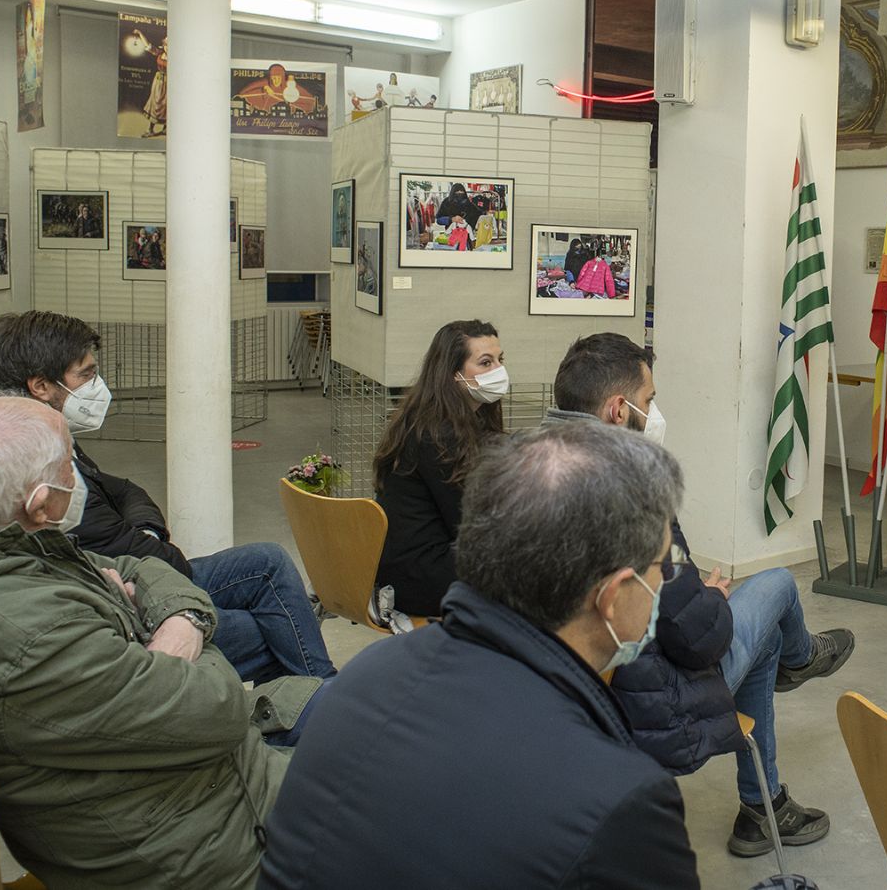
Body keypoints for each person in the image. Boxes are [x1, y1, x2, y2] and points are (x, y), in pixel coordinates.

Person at [0, 395, 321, 890]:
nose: (80, 478)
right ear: (40, 502)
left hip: (183, 788)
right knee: (382, 768)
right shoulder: (24, 636)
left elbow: (136, 567)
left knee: (348, 708)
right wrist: (180, 636)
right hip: (211, 847)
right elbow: (218, 708)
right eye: (69, 466)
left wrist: (182, 621)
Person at [260, 422, 699, 889]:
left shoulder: (365, 676)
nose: (664, 582)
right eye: (663, 566)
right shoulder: (623, 802)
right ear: (611, 596)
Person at [547, 332, 854, 856]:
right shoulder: (633, 494)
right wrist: (707, 597)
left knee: (760, 635)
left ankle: (766, 801)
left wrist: (686, 591)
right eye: (649, 400)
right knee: (776, 587)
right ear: (618, 410)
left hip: (564, 702)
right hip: (652, 710)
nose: (655, 413)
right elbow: (700, 642)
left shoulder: (528, 476)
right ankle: (799, 667)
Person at [0, 311, 337, 684]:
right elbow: (162, 561)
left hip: (131, 582)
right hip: (123, 609)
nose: (98, 386)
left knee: (269, 563)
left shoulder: (37, 438)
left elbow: (125, 490)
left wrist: (147, 531)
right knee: (271, 629)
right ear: (40, 386)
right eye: (85, 375)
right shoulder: (36, 469)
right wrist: (151, 543)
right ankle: (327, 696)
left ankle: (322, 696)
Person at [373, 319, 505, 617]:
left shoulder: (432, 418)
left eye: (500, 360)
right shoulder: (438, 435)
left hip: (419, 565)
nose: (499, 370)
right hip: (422, 578)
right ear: (452, 373)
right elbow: (468, 520)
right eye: (486, 362)